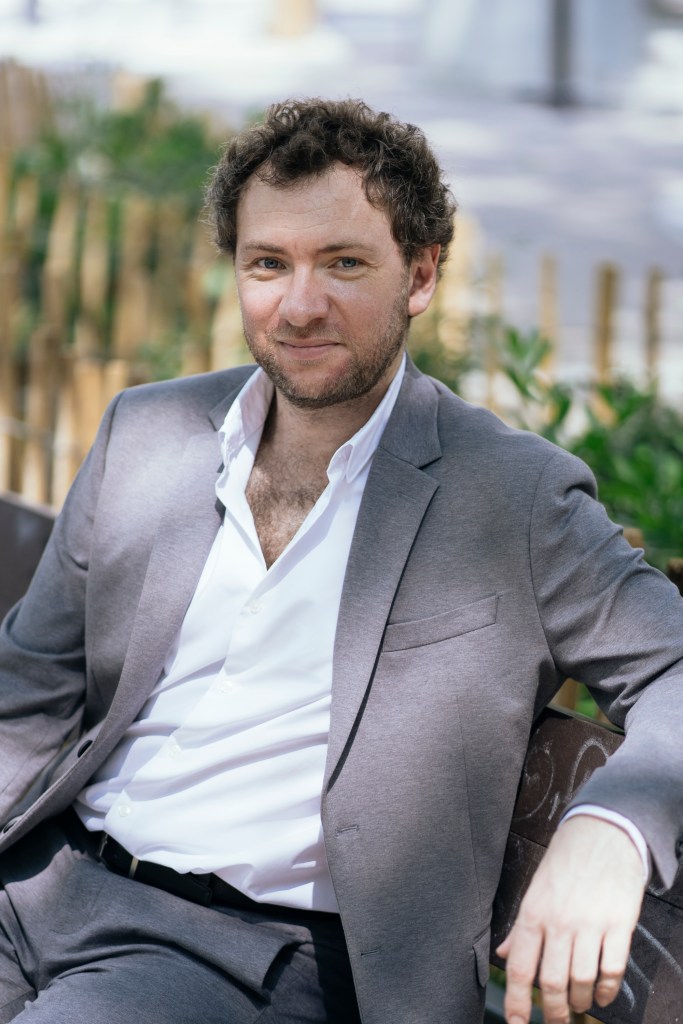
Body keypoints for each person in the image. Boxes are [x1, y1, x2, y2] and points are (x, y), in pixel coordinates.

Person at [0, 98, 681, 1024]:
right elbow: (29, 689)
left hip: (235, 955)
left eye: (344, 263)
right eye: (267, 264)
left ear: (421, 274)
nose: (299, 305)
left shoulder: (512, 496)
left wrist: (613, 825)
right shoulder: (149, 431)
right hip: (41, 881)